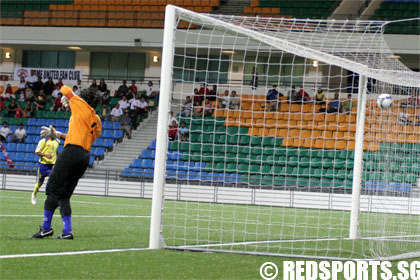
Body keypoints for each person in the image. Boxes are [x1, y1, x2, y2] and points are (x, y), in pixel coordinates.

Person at [31, 85, 102, 239]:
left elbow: (64, 88)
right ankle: (67, 231)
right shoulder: (96, 118)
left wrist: (69, 97)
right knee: (64, 196)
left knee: (51, 189)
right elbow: (87, 135)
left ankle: (46, 228)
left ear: (83, 97)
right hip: (83, 156)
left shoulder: (80, 104)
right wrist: (57, 134)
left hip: (71, 152)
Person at [31, 126, 60, 205]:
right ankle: (34, 195)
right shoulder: (43, 141)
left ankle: (55, 199)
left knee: (56, 181)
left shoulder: (57, 141)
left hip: (52, 164)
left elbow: (55, 150)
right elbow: (37, 152)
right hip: (43, 165)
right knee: (40, 182)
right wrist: (46, 155)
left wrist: (58, 156)